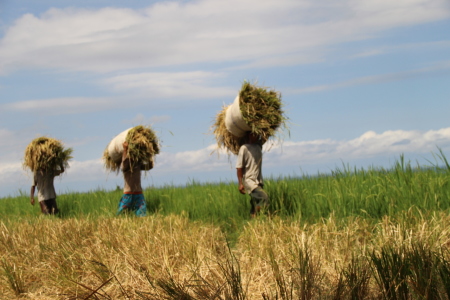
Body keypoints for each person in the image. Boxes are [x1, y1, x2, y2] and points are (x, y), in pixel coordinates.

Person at [236, 131, 269, 217]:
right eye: (254, 134)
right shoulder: (244, 148)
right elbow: (239, 167)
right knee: (264, 198)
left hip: (259, 181)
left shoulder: (258, 146)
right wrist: (240, 184)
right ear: (249, 136)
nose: (256, 135)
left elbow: (267, 135)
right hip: (249, 181)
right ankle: (264, 216)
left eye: (257, 134)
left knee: (254, 203)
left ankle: (253, 222)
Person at [116, 141, 147, 216]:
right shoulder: (126, 166)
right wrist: (125, 149)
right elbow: (123, 164)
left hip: (138, 193)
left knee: (142, 211)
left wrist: (150, 154)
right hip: (128, 193)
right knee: (122, 212)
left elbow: (149, 166)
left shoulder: (138, 164)